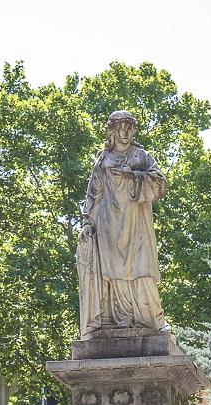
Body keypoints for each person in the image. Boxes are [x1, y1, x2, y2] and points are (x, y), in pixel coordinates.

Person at [77, 110, 169, 336]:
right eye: (120, 127)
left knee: (142, 269)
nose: (126, 132)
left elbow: (159, 183)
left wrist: (134, 177)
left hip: (136, 222)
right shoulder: (103, 160)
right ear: (112, 131)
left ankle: (153, 319)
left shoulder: (141, 156)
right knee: (115, 272)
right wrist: (88, 222)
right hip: (109, 222)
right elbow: (93, 193)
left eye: (130, 127)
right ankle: (122, 319)